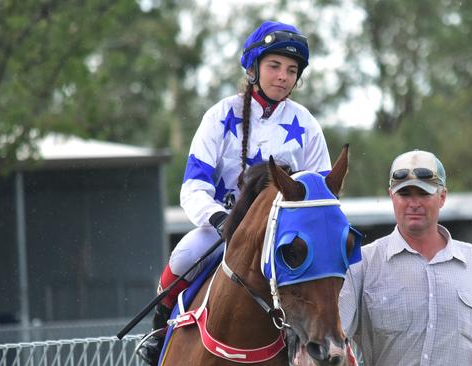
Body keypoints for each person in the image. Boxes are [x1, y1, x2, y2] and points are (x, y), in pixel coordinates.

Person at [136, 20, 332, 365]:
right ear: (253, 67)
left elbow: (323, 194)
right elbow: (193, 187)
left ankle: (326, 343)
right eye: (274, 66)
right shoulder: (219, 116)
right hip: (225, 229)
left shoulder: (308, 125)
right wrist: (221, 220)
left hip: (284, 238)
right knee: (184, 255)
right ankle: (158, 333)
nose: (283, 76)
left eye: (291, 70)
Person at [339, 150, 472, 366]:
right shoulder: (362, 263)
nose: (414, 203)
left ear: (442, 197)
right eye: (405, 194)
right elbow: (332, 334)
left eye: (423, 193)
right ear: (391, 196)